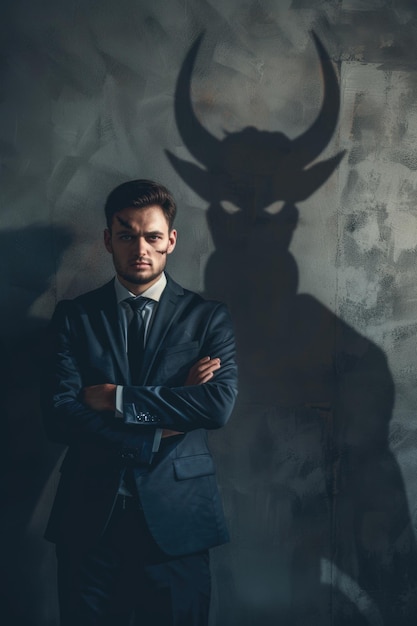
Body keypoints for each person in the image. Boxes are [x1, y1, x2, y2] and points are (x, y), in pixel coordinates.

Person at [41, 179, 238, 626]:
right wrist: (162, 421)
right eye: (127, 235)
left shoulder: (207, 318)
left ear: (171, 240)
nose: (140, 248)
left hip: (179, 522)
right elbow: (60, 416)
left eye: (152, 236)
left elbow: (215, 408)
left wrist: (118, 399)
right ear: (109, 240)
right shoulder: (74, 317)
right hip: (90, 522)